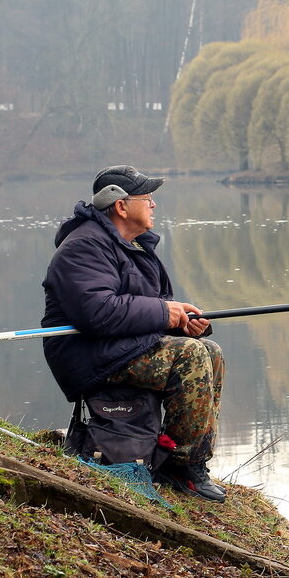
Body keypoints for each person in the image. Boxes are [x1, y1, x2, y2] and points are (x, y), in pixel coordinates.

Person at [42, 164, 226, 502]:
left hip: (122, 344)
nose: (154, 204)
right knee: (190, 355)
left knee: (208, 350)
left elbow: (155, 305)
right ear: (121, 206)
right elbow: (97, 313)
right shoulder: (83, 247)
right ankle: (182, 467)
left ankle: (188, 457)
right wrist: (163, 313)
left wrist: (182, 321)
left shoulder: (135, 246)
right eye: (147, 198)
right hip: (88, 353)